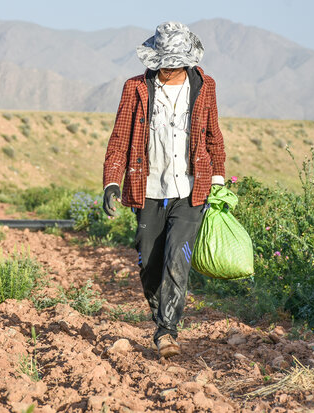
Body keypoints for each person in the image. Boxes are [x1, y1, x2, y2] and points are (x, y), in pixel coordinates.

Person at [102, 22, 226, 358]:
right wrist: (112, 181)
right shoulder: (136, 88)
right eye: (165, 63)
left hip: (190, 189)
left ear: (186, 61)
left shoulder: (204, 87)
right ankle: (162, 319)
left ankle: (167, 332)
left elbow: (214, 136)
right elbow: (119, 139)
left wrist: (218, 181)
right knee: (149, 262)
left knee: (176, 258)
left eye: (176, 63)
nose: (170, 69)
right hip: (148, 188)